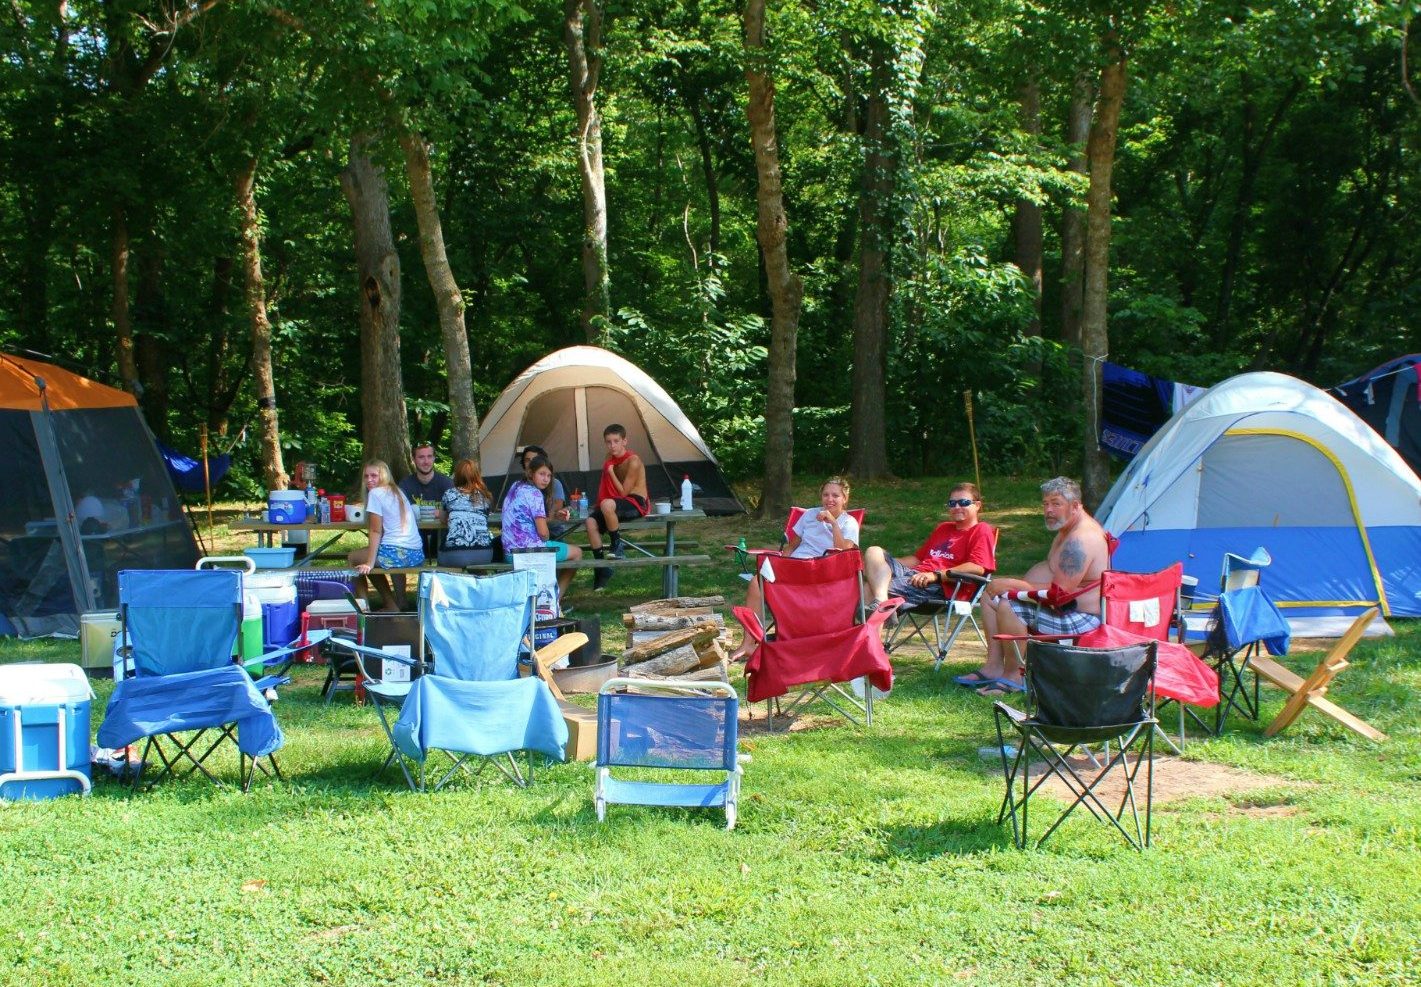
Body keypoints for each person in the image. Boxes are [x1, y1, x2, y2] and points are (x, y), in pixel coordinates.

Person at [968, 476, 1112, 696]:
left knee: (1009, 604)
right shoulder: (1066, 530)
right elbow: (1052, 572)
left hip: (1081, 616)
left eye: (1056, 503)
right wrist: (1016, 587)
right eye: (1046, 504)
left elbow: (1060, 592)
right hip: (1063, 607)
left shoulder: (1081, 539)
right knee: (989, 595)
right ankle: (993, 666)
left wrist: (1014, 586)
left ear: (1075, 506)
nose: (1049, 510)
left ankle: (1014, 676)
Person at [729, 476, 860, 661]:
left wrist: (833, 523)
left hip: (823, 573)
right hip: (795, 567)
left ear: (845, 498)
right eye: (826, 494)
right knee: (756, 583)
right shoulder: (809, 515)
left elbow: (845, 552)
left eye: (835, 495)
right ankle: (748, 644)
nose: (829, 499)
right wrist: (781, 560)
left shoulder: (849, 523)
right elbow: (793, 544)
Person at [863, 481, 996, 613]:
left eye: (964, 503)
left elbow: (977, 567)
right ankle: (881, 603)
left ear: (977, 505)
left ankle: (875, 615)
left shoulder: (981, 530)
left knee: (871, 587)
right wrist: (879, 566)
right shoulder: (943, 528)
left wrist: (935, 575)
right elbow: (918, 560)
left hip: (940, 586)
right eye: (952, 503)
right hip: (915, 575)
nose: (957, 507)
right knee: (874, 551)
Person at [502, 454, 583, 598]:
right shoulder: (535, 494)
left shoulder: (516, 486)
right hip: (529, 552)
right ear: (531, 473)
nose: (546, 479)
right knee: (577, 553)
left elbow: (527, 518)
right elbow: (544, 534)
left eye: (549, 475)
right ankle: (556, 601)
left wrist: (555, 516)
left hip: (509, 552)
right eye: (541, 474)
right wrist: (546, 528)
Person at [349, 460, 424, 611]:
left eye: (374, 476)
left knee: (354, 558)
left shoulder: (376, 494)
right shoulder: (397, 490)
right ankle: (401, 602)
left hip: (397, 553)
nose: (369, 480)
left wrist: (369, 563)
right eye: (366, 476)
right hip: (416, 554)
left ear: (383, 476)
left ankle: (365, 607)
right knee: (375, 556)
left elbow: (376, 531)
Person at [584, 424, 650, 590]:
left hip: (636, 502)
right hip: (617, 503)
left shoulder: (633, 460)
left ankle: (617, 546)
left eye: (616, 441)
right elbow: (611, 492)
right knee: (590, 522)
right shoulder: (610, 459)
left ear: (624, 441)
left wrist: (611, 471)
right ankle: (601, 569)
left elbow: (623, 492)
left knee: (607, 504)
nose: (612, 445)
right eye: (608, 442)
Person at [399, 443, 454, 557]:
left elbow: (456, 512)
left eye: (429, 456)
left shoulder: (447, 483)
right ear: (414, 459)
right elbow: (399, 513)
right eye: (421, 457)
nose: (426, 461)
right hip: (414, 536)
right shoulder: (405, 485)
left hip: (442, 535)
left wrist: (443, 514)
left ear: (434, 458)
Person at [438, 459, 495, 568]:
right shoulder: (485, 496)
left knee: (441, 557)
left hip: (455, 554)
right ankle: (477, 582)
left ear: (457, 475)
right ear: (477, 475)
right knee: (477, 568)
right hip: (484, 554)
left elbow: (443, 519)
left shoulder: (449, 494)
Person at [507, 444, 573, 538]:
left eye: (535, 460)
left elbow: (555, 515)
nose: (531, 463)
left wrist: (557, 515)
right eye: (527, 460)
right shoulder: (519, 487)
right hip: (527, 535)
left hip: (551, 532)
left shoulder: (554, 484)